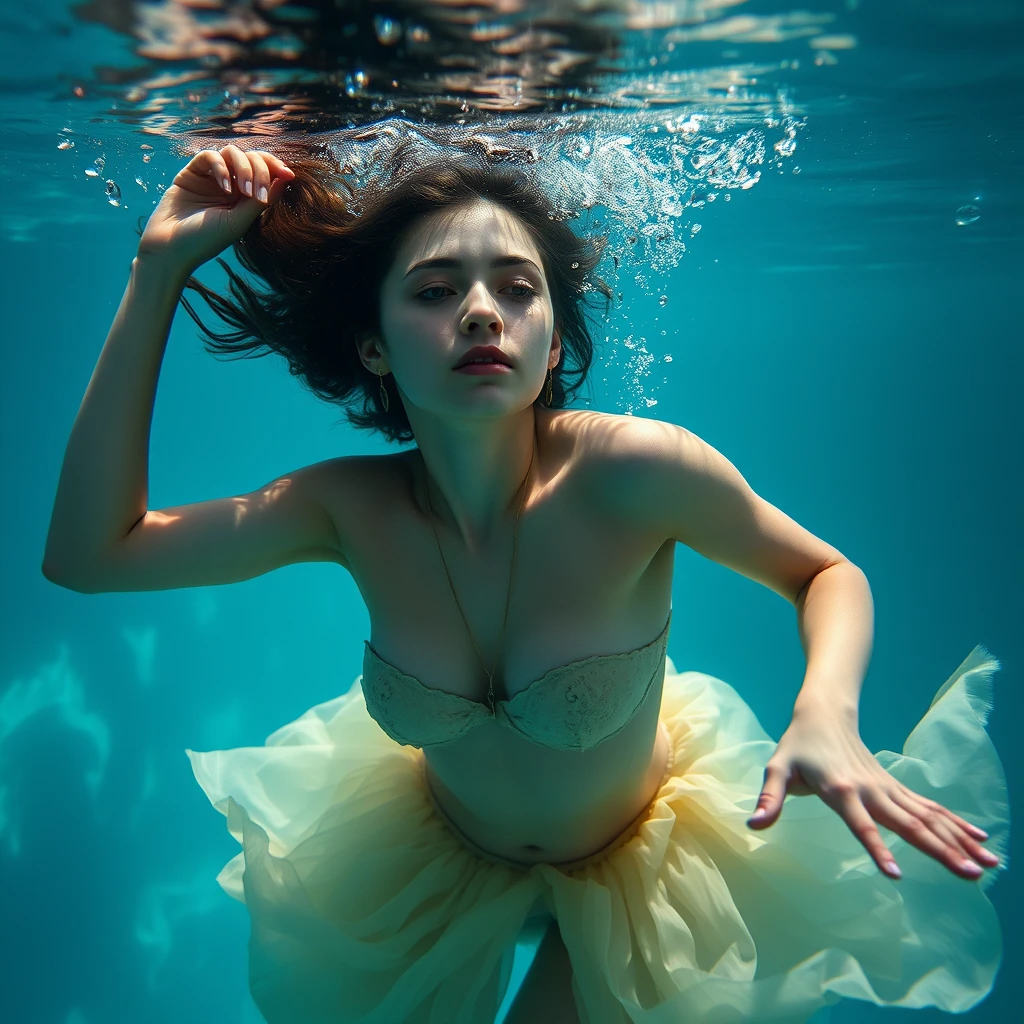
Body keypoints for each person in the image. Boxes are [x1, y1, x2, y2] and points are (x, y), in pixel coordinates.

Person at [43, 143, 1008, 1024]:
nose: (479, 312)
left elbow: (826, 573)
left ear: (552, 343)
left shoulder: (638, 472)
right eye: (432, 290)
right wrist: (155, 271)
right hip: (436, 862)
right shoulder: (347, 509)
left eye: (517, 288)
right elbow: (93, 557)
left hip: (646, 861)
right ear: (372, 346)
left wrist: (826, 712)